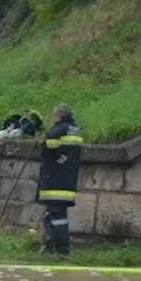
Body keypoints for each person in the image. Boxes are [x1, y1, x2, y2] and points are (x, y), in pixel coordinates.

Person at [37, 103, 83, 256]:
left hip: (55, 181)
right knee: (54, 213)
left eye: (53, 115)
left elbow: (50, 139)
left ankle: (62, 250)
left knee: (56, 215)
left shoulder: (59, 129)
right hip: (68, 180)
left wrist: (56, 156)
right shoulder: (74, 130)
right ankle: (51, 246)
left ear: (58, 116)